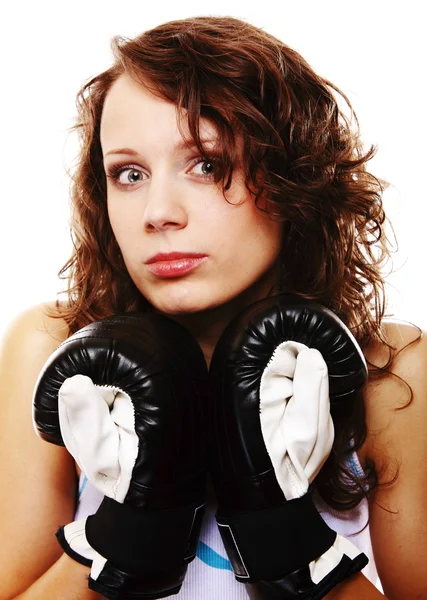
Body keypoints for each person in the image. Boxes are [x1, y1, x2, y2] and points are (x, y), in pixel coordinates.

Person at [0, 14, 425, 600]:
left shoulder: (389, 370)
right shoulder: (55, 351)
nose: (158, 212)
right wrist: (133, 529)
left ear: (290, 173)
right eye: (128, 173)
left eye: (205, 162)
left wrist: (282, 533)